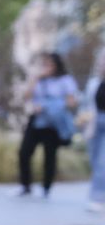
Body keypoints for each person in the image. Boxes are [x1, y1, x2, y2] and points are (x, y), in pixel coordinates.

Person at [15, 51, 79, 199]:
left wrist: (53, 105)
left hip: (53, 123)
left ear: (57, 65)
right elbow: (26, 96)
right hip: (37, 120)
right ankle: (25, 186)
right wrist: (35, 79)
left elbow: (72, 101)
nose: (47, 67)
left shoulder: (65, 80)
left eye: (50, 64)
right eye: (45, 64)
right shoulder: (38, 80)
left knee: (49, 155)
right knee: (24, 152)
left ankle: (46, 187)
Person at [87, 55, 105, 214]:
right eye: (100, 62)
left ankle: (98, 198)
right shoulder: (94, 83)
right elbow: (88, 104)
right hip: (95, 123)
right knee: (94, 160)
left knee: (102, 162)